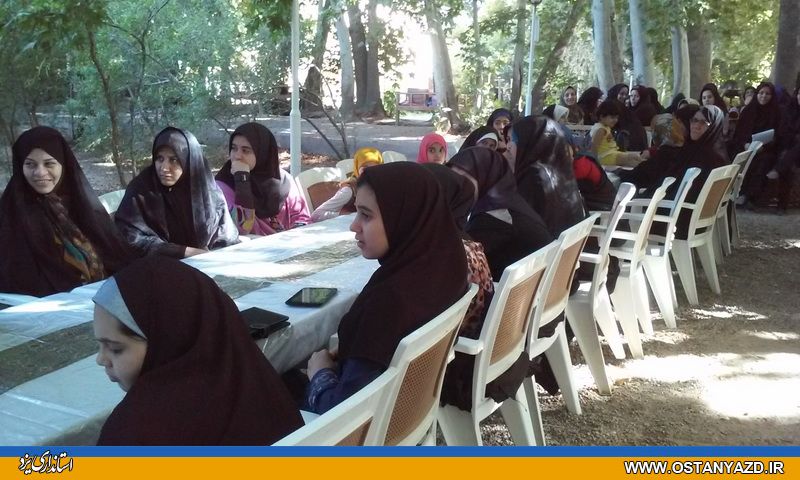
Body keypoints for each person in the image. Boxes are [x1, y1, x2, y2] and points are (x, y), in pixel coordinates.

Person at [304, 162, 469, 414]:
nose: (354, 225)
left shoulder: (391, 300)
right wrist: (355, 350)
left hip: (362, 427)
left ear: (404, 218)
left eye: (366, 215)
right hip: (407, 409)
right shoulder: (445, 266)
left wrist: (320, 374)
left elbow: (345, 411)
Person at [92, 256, 303, 445]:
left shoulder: (134, 435)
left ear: (169, 342)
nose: (101, 359)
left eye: (115, 349)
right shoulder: (263, 387)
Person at [0, 126, 131, 296]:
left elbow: (117, 257)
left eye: (49, 163)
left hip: (103, 299)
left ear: (63, 164)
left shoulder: (81, 206)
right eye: (30, 164)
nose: (40, 172)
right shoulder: (12, 215)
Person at [115, 127, 238, 257]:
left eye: (173, 160)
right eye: (159, 159)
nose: (164, 168)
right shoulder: (141, 190)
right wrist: (183, 251)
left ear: (190, 161)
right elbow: (129, 238)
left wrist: (210, 257)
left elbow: (226, 237)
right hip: (157, 265)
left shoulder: (207, 191)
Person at [619, 105, 729, 238]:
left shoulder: (707, 158)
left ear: (714, 126)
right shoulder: (706, 150)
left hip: (679, 221)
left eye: (703, 122)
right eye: (694, 120)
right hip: (690, 217)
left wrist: (649, 198)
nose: (696, 126)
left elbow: (686, 193)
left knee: (626, 203)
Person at [447, 147, 552, 281]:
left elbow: (461, 262)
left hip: (513, 289)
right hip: (536, 285)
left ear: (485, 178)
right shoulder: (510, 203)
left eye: (463, 180)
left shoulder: (493, 220)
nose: (456, 188)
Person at [215, 122, 310, 235]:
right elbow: (243, 228)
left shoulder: (283, 180)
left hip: (290, 242)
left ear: (263, 153)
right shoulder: (223, 187)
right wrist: (242, 179)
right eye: (234, 148)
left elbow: (302, 218)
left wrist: (295, 238)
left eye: (245, 150)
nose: (237, 156)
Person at [507, 116, 587, 237]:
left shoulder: (533, 177)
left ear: (529, 141)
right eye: (507, 140)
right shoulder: (562, 172)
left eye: (511, 140)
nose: (507, 146)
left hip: (545, 247)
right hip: (564, 246)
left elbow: (523, 228)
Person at [732, 82, 783, 208]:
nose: (764, 96)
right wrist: (745, 144)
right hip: (746, 147)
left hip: (767, 149)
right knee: (740, 157)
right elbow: (739, 133)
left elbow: (778, 135)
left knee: (763, 161)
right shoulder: (748, 111)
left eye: (767, 94)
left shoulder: (776, 113)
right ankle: (739, 193)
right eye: (761, 93)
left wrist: (764, 147)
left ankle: (750, 196)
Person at [310, 147, 383, 222]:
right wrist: (347, 216)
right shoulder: (349, 191)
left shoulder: (382, 187)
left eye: (375, 168)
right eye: (365, 168)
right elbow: (316, 215)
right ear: (357, 168)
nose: (369, 172)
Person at [590, 100, 644, 167]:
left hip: (611, 154)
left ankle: (644, 165)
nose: (615, 120)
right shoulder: (601, 129)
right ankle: (644, 167)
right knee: (631, 160)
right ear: (601, 116)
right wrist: (594, 163)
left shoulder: (605, 127)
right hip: (606, 157)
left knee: (634, 157)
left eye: (617, 117)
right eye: (612, 117)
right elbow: (594, 147)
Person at [607, 84, 649, 152]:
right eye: (621, 94)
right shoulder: (613, 106)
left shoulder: (621, 108)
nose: (624, 97)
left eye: (626, 94)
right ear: (615, 93)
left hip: (629, 143)